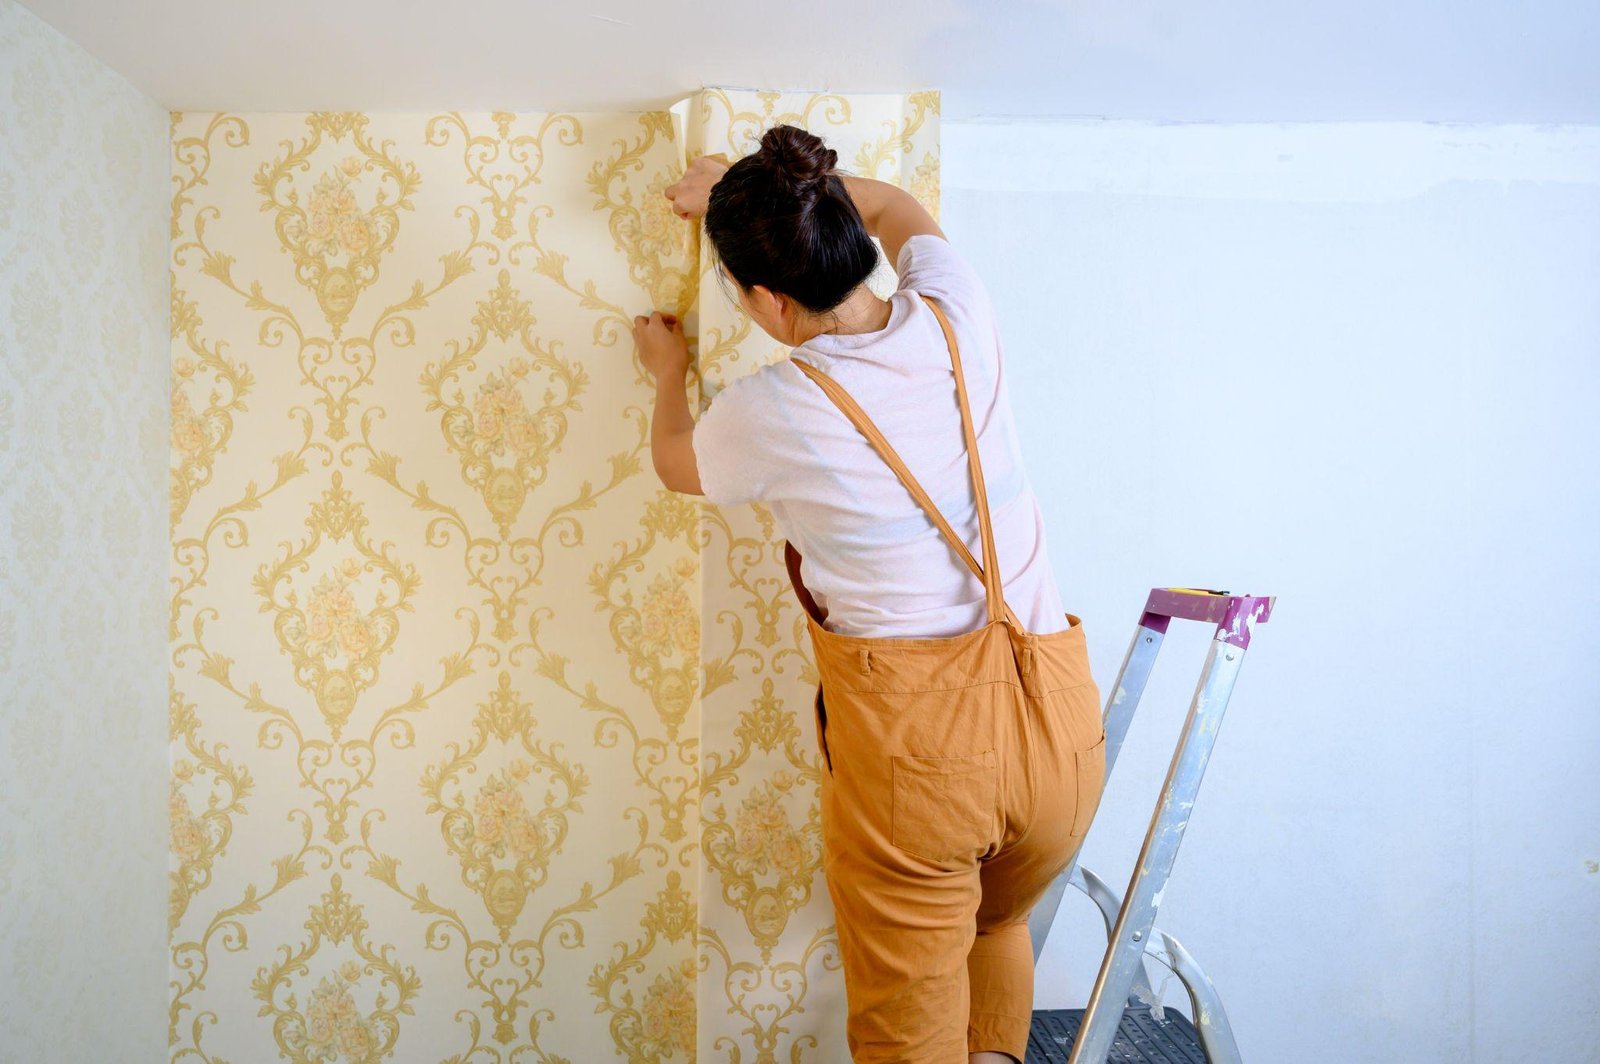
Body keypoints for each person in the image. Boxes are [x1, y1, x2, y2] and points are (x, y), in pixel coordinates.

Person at [632, 124, 1107, 1064]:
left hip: (923, 763)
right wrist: (759, 187)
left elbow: (677, 468)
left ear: (768, 300)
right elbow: (889, 208)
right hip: (1060, 734)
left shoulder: (774, 409)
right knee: (995, 927)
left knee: (909, 1041)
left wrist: (667, 375)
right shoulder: (956, 308)